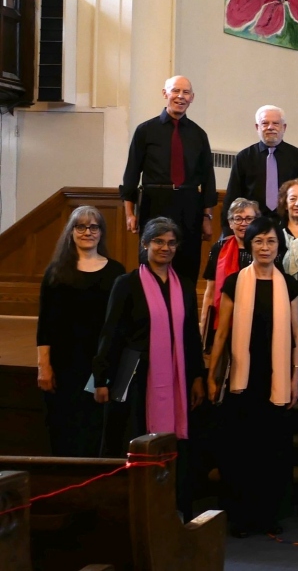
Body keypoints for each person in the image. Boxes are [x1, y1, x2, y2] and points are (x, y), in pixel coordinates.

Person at [92, 217, 204, 517]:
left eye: (171, 243)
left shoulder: (185, 286)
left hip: (177, 375)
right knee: (135, 436)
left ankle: (169, 507)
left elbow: (191, 335)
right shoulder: (126, 284)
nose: (165, 248)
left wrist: (197, 376)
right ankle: (129, 508)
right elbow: (110, 332)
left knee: (175, 444)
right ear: (145, 245)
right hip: (136, 375)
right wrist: (101, 378)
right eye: (158, 242)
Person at [205, 217, 298, 537]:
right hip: (241, 380)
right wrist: (212, 374)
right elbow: (221, 333)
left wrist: (295, 378)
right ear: (249, 245)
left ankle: (267, 515)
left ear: (279, 246)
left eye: (271, 241)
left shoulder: (289, 284)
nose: (264, 247)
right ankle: (242, 516)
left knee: (270, 452)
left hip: (275, 379)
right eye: (258, 241)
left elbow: (296, 336)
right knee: (241, 451)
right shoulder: (234, 281)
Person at [37, 206, 126, 457]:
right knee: (64, 426)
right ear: (71, 232)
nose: (88, 231)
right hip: (64, 363)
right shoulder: (55, 272)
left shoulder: (116, 272)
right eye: (81, 226)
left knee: (97, 428)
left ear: (101, 232)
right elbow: (45, 324)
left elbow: (119, 324)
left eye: (94, 226)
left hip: (101, 363)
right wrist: (44, 366)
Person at [119, 75, 216, 282]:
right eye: (175, 91)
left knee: (187, 262)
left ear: (192, 98)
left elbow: (208, 178)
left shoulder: (199, 135)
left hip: (189, 204)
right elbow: (131, 174)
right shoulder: (145, 131)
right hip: (155, 201)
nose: (180, 96)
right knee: (152, 260)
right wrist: (129, 213)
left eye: (186, 93)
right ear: (165, 94)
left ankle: (184, 311)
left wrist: (207, 217)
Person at [221, 105, 298, 232]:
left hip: (290, 224)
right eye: (265, 123)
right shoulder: (244, 157)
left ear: (284, 127)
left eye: (276, 123)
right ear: (257, 127)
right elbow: (233, 195)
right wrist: (227, 231)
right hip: (251, 225)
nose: (270, 127)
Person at [201, 198, 259, 346]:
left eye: (249, 219)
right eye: (238, 218)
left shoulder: (263, 250)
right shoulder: (218, 248)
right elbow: (210, 290)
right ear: (230, 222)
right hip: (222, 320)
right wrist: (203, 324)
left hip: (255, 319)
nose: (243, 223)